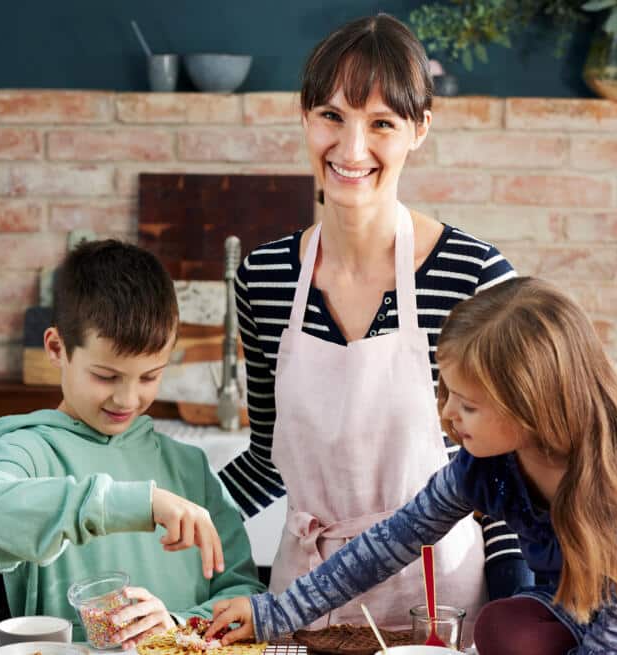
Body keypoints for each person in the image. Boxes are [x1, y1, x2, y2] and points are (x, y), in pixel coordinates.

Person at [218, 12, 528, 639]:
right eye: (332, 116)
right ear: (305, 117)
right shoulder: (265, 278)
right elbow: (267, 459)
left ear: (419, 130)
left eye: (381, 123)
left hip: (439, 605)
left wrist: (518, 605)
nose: (351, 149)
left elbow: (505, 467)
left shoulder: (475, 276)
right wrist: (167, 509)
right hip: (303, 600)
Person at [208, 276, 617, 655]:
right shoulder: (485, 466)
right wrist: (274, 612)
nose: (448, 414)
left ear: (529, 404)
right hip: (572, 609)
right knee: (502, 625)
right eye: (448, 392)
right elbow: (390, 541)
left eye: (469, 405)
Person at [0, 240, 265, 649]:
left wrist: (175, 626)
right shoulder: (27, 451)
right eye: (106, 376)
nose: (127, 399)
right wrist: (142, 503)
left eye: (149, 376)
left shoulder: (189, 468)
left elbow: (243, 596)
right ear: (56, 348)